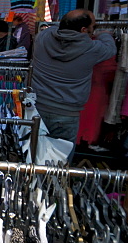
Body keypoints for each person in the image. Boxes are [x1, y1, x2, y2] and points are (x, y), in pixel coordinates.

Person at [31, 9, 117, 144]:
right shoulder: (93, 49)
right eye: (92, 27)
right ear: (84, 30)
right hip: (66, 113)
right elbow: (111, 48)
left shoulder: (42, 38)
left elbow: (52, 29)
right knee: (60, 159)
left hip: (36, 107)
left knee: (32, 154)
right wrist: (104, 34)